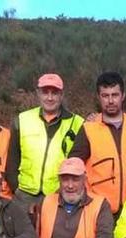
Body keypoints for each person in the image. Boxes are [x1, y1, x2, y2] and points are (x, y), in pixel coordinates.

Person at [69, 71, 126, 214]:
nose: (110, 101)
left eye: (115, 95)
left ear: (123, 96)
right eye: (105, 95)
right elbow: (73, 166)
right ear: (99, 97)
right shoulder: (88, 128)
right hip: (100, 211)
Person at [6, 73, 83, 212]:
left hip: (59, 195)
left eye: (54, 93)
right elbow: (12, 158)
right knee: (22, 234)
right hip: (24, 196)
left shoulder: (78, 123)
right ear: (38, 93)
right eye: (45, 92)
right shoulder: (22, 120)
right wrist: (15, 188)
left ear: (62, 95)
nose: (49, 97)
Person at [36, 158, 116, 238]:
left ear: (84, 179)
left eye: (75, 179)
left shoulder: (100, 204)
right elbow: (30, 236)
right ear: (59, 181)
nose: (70, 185)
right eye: (65, 179)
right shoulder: (46, 201)